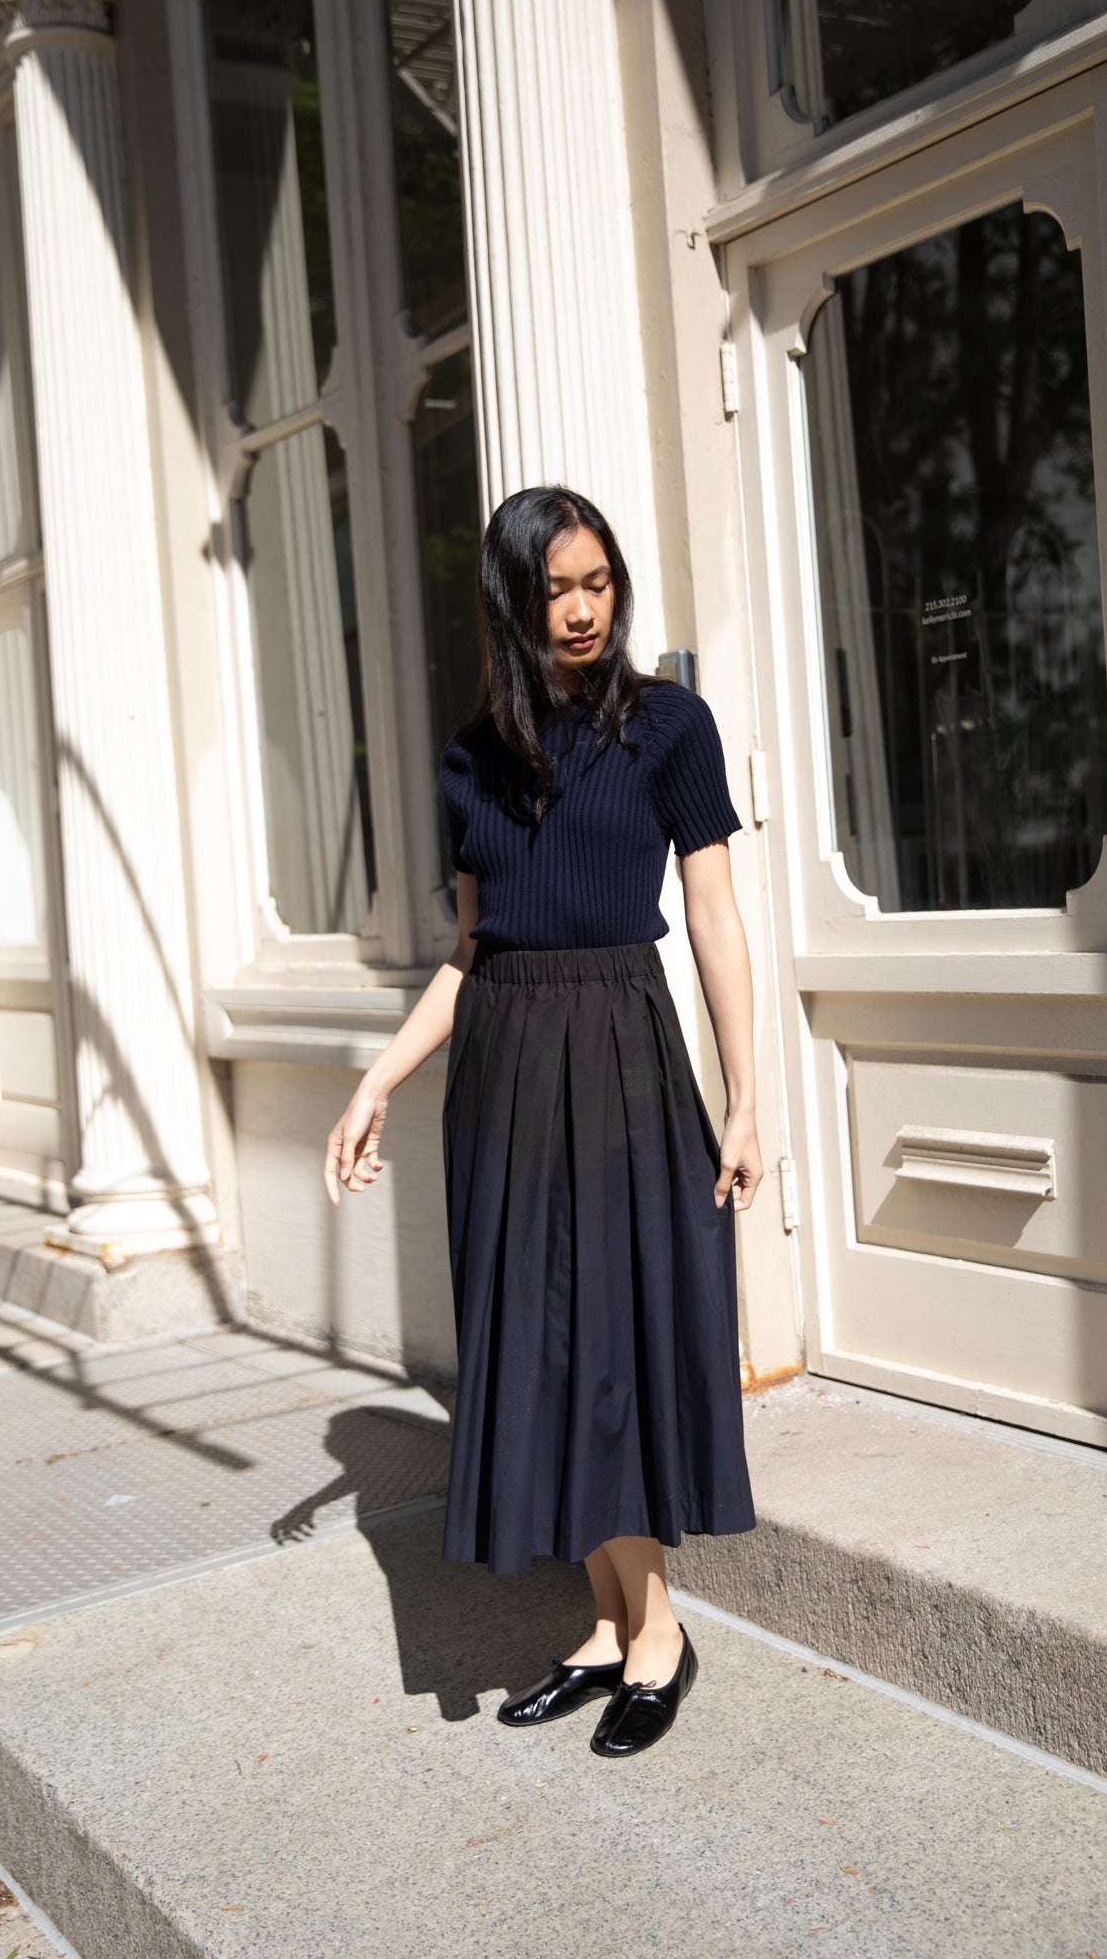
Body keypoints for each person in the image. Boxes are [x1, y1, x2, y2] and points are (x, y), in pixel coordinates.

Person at [324, 484, 763, 1758]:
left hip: (621, 1050)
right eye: (555, 589)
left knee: (616, 1341)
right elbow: (471, 951)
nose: (581, 610)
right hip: (506, 1071)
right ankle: (608, 1623)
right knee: (547, 1348)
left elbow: (715, 916)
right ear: (513, 603)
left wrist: (747, 1095)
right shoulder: (473, 757)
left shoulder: (669, 727)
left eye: (597, 583)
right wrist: (377, 1079)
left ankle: (657, 1628)